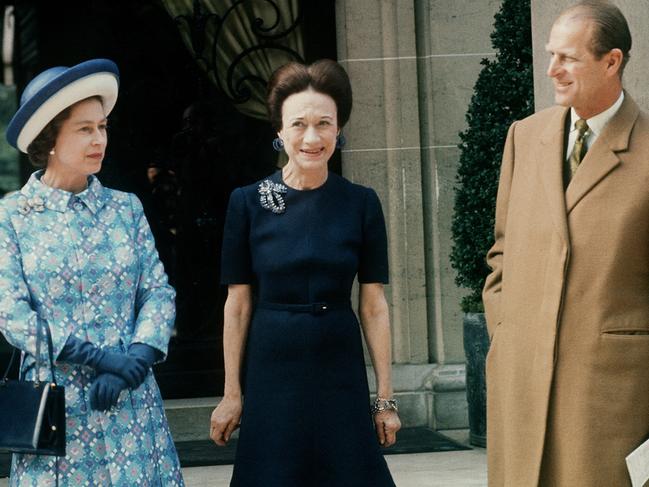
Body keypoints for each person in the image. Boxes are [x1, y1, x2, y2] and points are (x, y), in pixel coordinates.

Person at [209, 59, 401, 486]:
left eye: (324, 124)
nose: (311, 138)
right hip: (272, 366)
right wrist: (231, 393)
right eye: (298, 124)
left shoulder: (361, 203)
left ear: (339, 129)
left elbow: (373, 306)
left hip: (339, 367)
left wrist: (384, 399)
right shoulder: (249, 202)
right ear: (279, 131)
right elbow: (238, 305)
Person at [483, 2, 647, 486]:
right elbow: (501, 255)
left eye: (568, 58)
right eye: (551, 54)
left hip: (610, 402)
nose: (552, 69)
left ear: (611, 61)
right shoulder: (524, 138)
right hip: (521, 389)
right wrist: (508, 333)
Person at [0, 59, 184, 485]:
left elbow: (157, 291)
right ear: (49, 138)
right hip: (57, 411)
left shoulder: (126, 208)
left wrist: (137, 358)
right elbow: (12, 315)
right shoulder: (12, 217)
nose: (99, 139)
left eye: (102, 127)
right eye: (84, 129)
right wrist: (100, 359)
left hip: (131, 405)